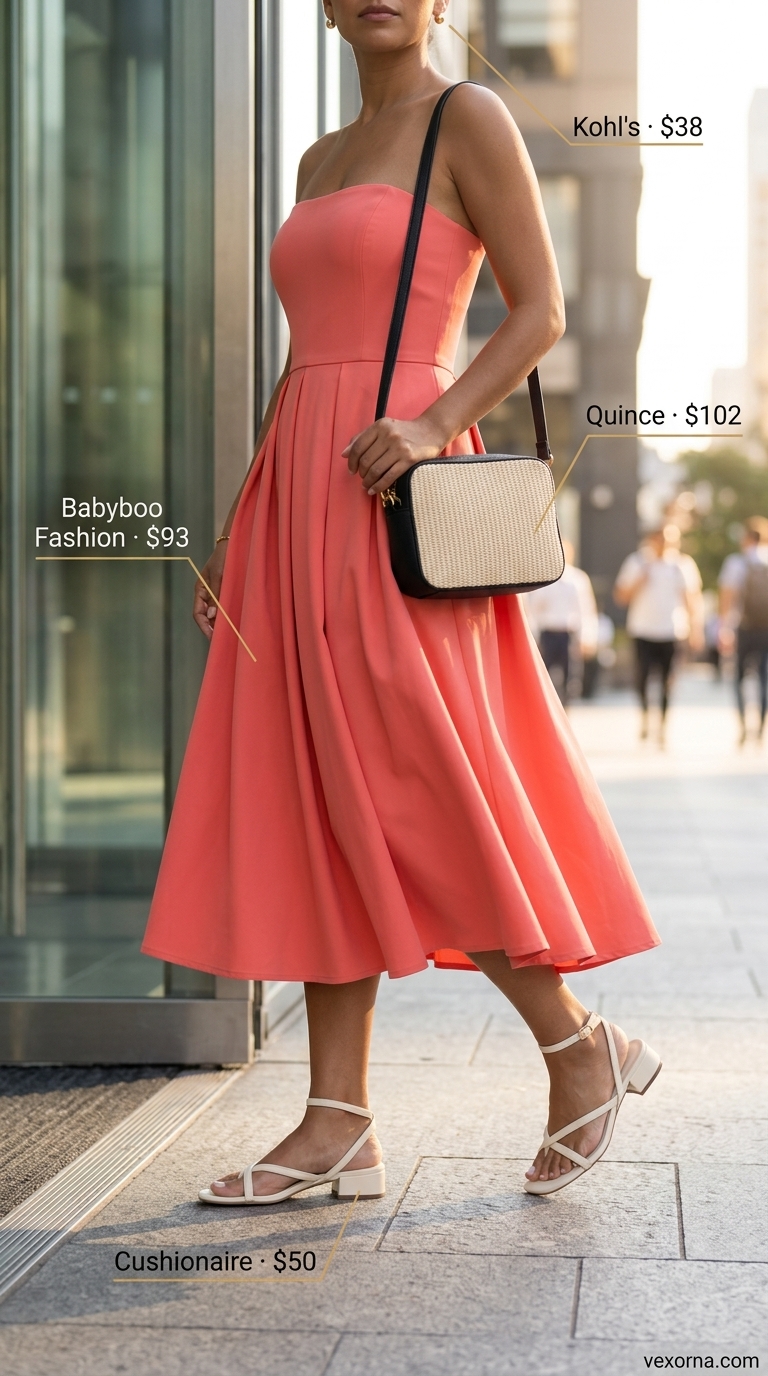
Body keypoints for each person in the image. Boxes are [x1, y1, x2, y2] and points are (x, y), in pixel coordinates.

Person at [142, 0, 660, 1203]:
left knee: (413, 774)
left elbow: (540, 311)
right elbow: (300, 356)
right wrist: (238, 518)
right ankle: (339, 1117)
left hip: (399, 494)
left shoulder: (467, 116)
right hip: (294, 496)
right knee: (318, 787)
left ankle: (577, 1040)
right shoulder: (321, 158)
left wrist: (429, 424)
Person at [614, 525, 703, 744]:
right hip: (643, 630)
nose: (665, 544)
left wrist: (696, 630)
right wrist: (639, 580)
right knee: (642, 678)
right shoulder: (637, 562)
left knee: (668, 681)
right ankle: (645, 716)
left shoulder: (682, 565)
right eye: (661, 539)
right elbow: (621, 597)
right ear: (652, 540)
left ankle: (662, 725)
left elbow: (692, 600)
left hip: (672, 631)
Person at [524, 541, 599, 704]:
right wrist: (534, 636)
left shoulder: (578, 579)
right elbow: (534, 610)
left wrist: (587, 637)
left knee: (570, 679)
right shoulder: (543, 579)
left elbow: (586, 610)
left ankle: (566, 711)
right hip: (547, 633)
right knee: (543, 677)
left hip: (568, 633)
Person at [718, 517, 768, 743]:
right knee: (764, 679)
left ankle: (742, 725)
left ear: (747, 537)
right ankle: (760, 728)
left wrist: (724, 628)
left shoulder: (736, 562)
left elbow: (727, 597)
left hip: (744, 627)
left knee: (739, 677)